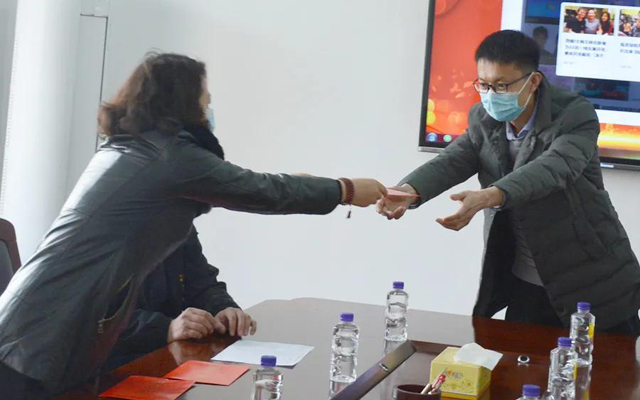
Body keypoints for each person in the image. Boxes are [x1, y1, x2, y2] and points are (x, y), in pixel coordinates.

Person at [0, 53, 387, 398]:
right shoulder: (170, 157)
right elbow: (262, 190)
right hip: (39, 341)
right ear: (183, 101)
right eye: (205, 99)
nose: (209, 108)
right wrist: (345, 190)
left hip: (43, 329)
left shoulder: (136, 150)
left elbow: (251, 186)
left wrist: (304, 185)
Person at [378, 31, 640, 337]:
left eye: (502, 85)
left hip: (592, 279)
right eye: (484, 84)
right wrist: (410, 190)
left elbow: (555, 168)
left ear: (533, 81)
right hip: (526, 281)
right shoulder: (483, 118)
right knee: (519, 365)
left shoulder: (574, 115)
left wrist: (491, 195)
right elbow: (454, 160)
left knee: (607, 367)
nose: (491, 94)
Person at [103, 226, 254, 370]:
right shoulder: (106, 231)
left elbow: (201, 283)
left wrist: (222, 308)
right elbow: (100, 320)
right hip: (112, 369)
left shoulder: (179, 222)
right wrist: (166, 328)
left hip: (170, 358)